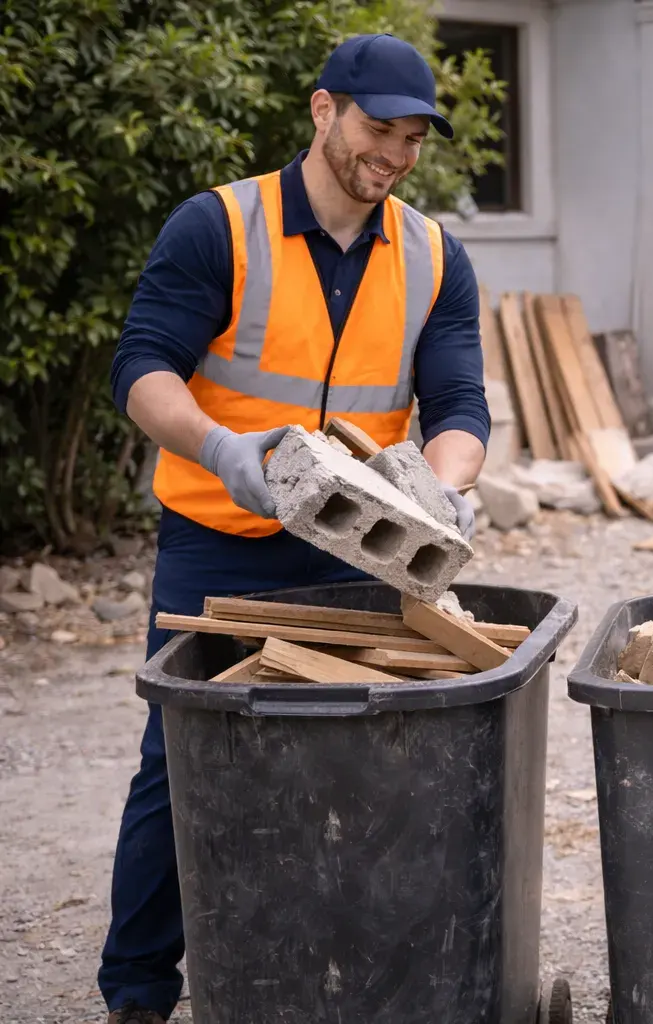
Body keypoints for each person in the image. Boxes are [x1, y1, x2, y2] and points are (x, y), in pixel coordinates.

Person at [99, 34, 489, 1024]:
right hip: (220, 538)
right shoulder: (219, 227)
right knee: (184, 759)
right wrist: (221, 448)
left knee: (361, 762)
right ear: (324, 110)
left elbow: (458, 403)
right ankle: (139, 991)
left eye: (414, 139)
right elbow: (142, 367)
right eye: (379, 128)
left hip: (361, 549)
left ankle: (332, 971)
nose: (395, 155)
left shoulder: (434, 256)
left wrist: (446, 489)